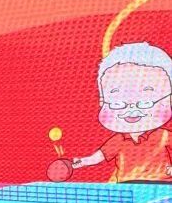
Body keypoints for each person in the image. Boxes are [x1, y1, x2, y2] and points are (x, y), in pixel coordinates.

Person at [72, 42, 172, 182]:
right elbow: (99, 156)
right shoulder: (118, 140)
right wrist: (82, 161)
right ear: (103, 102)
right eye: (118, 104)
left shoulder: (164, 136)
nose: (131, 110)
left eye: (144, 102)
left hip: (160, 185)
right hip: (127, 185)